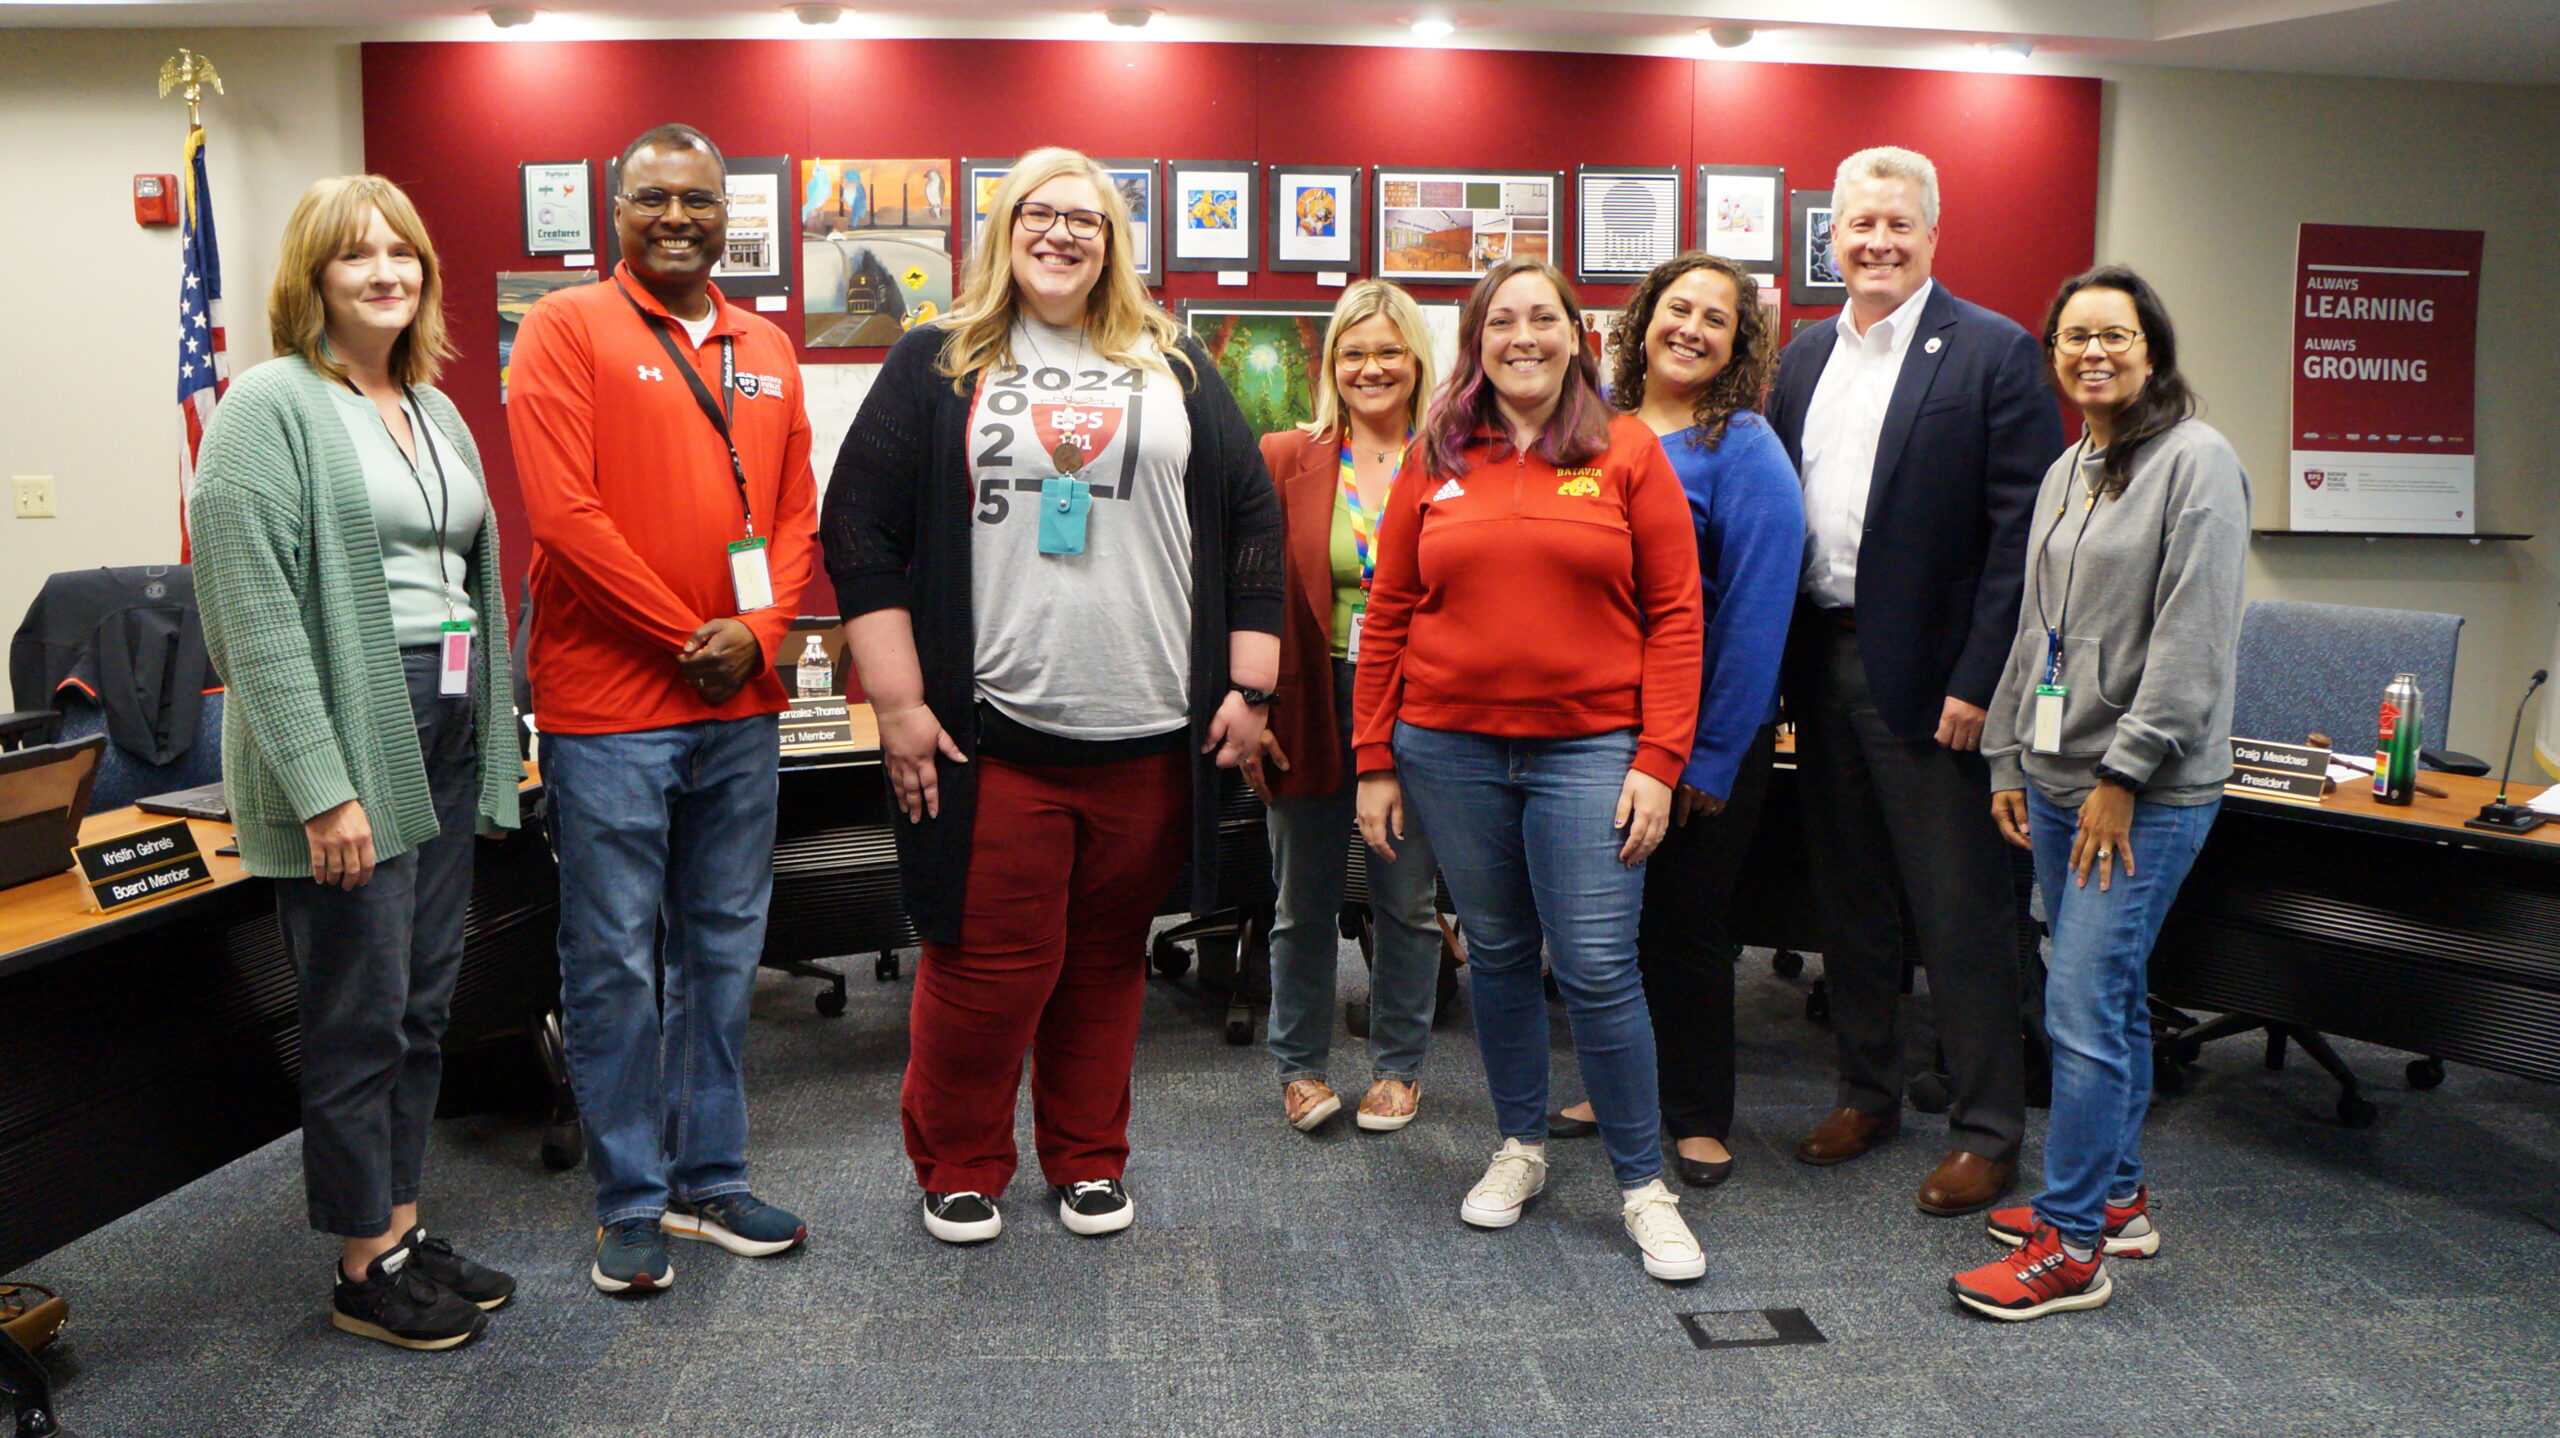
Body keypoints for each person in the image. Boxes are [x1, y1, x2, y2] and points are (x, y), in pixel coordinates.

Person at [824, 147, 1284, 1247]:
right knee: (987, 965)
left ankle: (1087, 1157)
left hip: (1151, 731)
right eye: (1039, 212)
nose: (1061, 234)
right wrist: (899, 704)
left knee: (1105, 960)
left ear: (1112, 240)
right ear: (1004, 229)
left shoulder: (1171, 359)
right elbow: (858, 529)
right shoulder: (941, 358)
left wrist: (1252, 683)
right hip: (994, 734)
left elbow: (1252, 515)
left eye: (1086, 218)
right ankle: (961, 1160)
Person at [192, 175, 520, 1350]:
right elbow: (252, 616)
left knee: (422, 1004)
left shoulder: (432, 407)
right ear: (313, 278)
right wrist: (321, 787)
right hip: (347, 732)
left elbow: (468, 578)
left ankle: (403, 1224)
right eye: (355, 255)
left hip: (442, 723)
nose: (386, 272)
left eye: (402, 253)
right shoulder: (268, 407)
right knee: (358, 1013)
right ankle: (360, 1263)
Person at [507, 123, 820, 1293]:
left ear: (729, 212)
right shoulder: (564, 326)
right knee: (612, 960)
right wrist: (687, 635)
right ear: (616, 210)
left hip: (740, 703)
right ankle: (631, 1196)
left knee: (724, 950)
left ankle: (710, 1178)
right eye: (653, 198)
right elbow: (563, 515)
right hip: (610, 710)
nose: (677, 216)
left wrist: (763, 632)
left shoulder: (767, 344)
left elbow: (794, 512)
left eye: (698, 198)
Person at [1354, 258, 1708, 1282]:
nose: (1523, 337)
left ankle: (1642, 1186)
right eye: (1501, 321)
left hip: (1589, 748)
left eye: (1542, 318)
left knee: (1595, 964)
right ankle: (1519, 1144)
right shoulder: (1436, 453)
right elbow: (1389, 610)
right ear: (1477, 341)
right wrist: (1374, 756)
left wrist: (1659, 758)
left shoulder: (1626, 450)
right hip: (1448, 747)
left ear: (1574, 334)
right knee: (1500, 953)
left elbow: (1677, 615)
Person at [1766, 146, 2062, 1216]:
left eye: (1898, 224)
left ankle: (1986, 1130)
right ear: (1832, 237)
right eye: (1860, 224)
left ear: (1932, 234)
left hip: (1941, 686)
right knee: (1849, 904)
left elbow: (2019, 536)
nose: (1878, 242)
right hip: (1821, 661)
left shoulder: (1994, 352)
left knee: (1960, 913)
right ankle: (1867, 1092)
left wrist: (1980, 680)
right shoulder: (1803, 356)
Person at [1951, 267, 2248, 1319]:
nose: (2093, 352)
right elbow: (2036, 630)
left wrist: (2123, 774)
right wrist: (2005, 756)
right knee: (2106, 996)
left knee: (2078, 1005)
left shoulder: (2196, 463)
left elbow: (2193, 641)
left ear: (2150, 349)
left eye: (2114, 335)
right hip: (2054, 776)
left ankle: (2072, 1244)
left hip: (2144, 795)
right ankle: (2117, 1198)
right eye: (2074, 336)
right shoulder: (2070, 467)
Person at [1547, 254, 1803, 1188]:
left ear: (1738, 345)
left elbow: (1756, 617)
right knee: (1605, 927)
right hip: (1595, 730)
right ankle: (1619, 1088)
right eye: (1678, 308)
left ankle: (1696, 1112)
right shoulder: (1590, 426)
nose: (1691, 328)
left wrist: (1709, 757)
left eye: (1716, 319)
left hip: (1700, 737)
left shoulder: (1744, 447)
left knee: (1688, 927)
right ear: (1644, 318)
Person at [1241, 280, 1443, 1135]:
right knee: (1302, 901)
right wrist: (1249, 706)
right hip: (1309, 698)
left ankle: (1399, 1067)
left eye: (1389, 351)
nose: (1371, 368)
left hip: (1418, 702)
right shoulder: (1285, 454)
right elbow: (1248, 589)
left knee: (1406, 900)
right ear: (1331, 365)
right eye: (1353, 353)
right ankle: (1300, 1067)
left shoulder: (1454, 458)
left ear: (1416, 361)